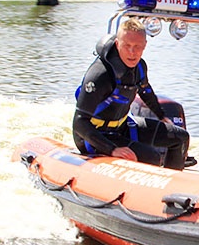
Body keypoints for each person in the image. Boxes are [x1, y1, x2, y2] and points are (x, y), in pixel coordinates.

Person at [73, 16, 190, 170]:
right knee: (152, 157)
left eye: (137, 46)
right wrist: (112, 150)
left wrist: (161, 116)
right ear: (117, 43)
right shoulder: (100, 75)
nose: (132, 52)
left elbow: (146, 92)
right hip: (94, 136)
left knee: (180, 137)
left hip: (122, 127)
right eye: (127, 45)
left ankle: (173, 186)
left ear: (145, 45)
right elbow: (79, 123)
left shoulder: (140, 67)